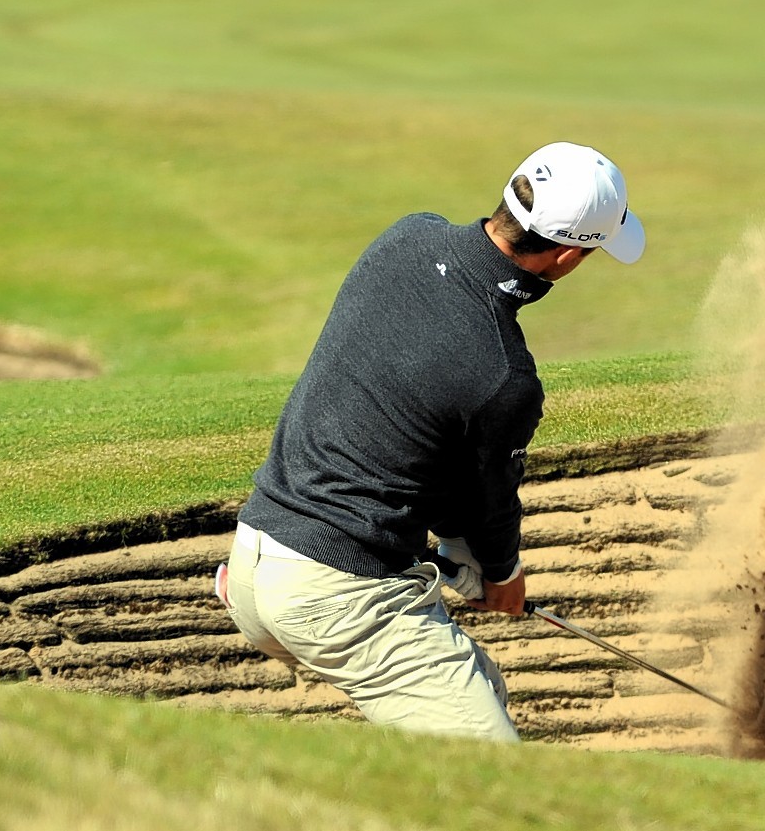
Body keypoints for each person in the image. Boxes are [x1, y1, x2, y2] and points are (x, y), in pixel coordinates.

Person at [216, 141, 645, 742]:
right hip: (335, 595)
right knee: (488, 764)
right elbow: (486, 504)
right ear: (569, 256)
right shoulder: (504, 375)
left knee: (478, 691)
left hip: (252, 563)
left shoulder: (406, 236)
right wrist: (499, 572)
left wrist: (462, 551)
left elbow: (424, 438)